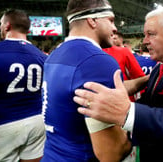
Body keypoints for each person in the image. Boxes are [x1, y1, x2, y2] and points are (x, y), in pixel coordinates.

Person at [74, 7, 163, 162]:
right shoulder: (160, 67)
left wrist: (129, 112)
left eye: (151, 34)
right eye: (145, 35)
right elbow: (153, 103)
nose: (145, 41)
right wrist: (113, 104)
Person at [41, 0, 131, 161]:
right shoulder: (97, 61)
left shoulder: (55, 54)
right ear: (93, 20)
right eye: (110, 20)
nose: (115, 28)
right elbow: (111, 152)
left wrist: (146, 80)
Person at [0, 9, 47, 162]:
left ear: (7, 26)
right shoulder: (43, 57)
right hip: (37, 121)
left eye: (0, 24)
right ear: (28, 30)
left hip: (0, 123)